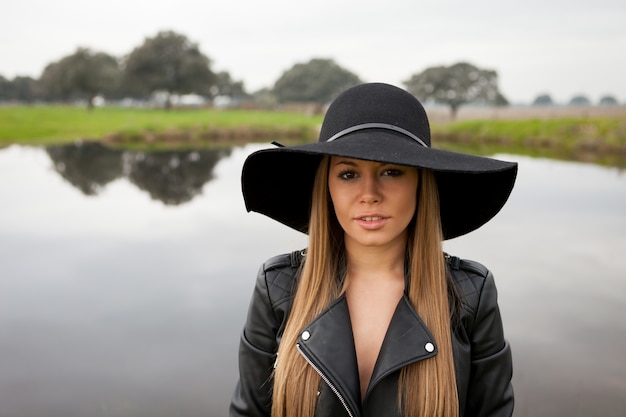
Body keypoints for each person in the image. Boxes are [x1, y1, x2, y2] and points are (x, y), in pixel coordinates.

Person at [230, 82, 517, 417]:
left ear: (421, 184)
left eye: (392, 172)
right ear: (327, 188)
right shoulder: (278, 287)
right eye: (348, 174)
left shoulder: (470, 294)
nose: (370, 193)